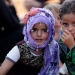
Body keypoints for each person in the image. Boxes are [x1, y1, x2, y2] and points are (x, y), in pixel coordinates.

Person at [0, 7, 59, 75]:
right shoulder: (20, 49)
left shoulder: (52, 49)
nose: (39, 34)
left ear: (50, 32)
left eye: (44, 30)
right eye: (34, 29)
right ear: (28, 30)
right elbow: (2, 71)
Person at [59, 0, 75, 75]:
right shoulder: (62, 41)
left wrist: (72, 47)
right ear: (60, 23)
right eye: (65, 24)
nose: (70, 29)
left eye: (74, 24)